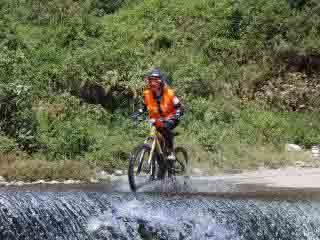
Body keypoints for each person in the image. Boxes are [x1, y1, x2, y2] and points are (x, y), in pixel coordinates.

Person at [135, 68, 184, 161]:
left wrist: (177, 115)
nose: (153, 83)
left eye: (155, 81)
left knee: (165, 127)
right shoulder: (147, 93)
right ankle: (159, 159)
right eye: (151, 80)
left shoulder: (169, 93)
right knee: (157, 135)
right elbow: (144, 107)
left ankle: (170, 151)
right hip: (156, 120)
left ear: (161, 82)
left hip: (171, 118)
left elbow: (179, 107)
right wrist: (138, 114)